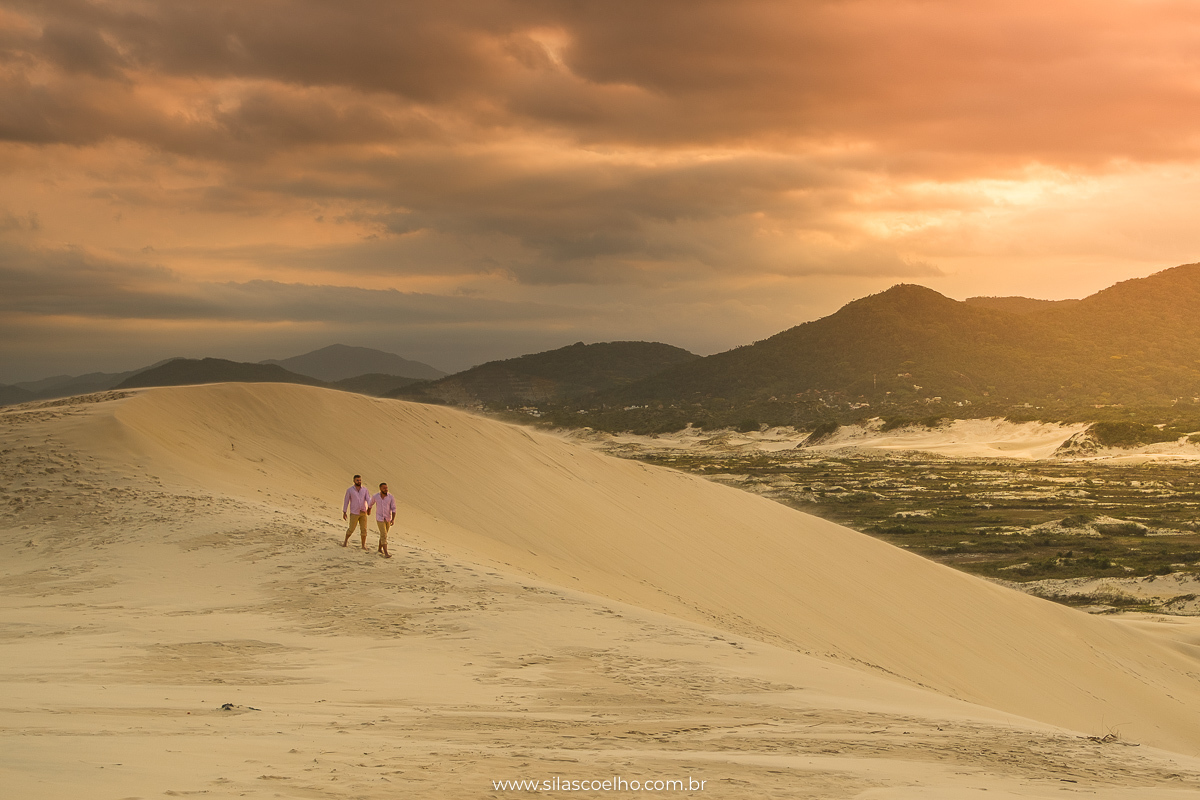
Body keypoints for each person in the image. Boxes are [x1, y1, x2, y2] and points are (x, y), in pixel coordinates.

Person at [342, 474, 372, 549]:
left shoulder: (364, 490)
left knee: (364, 529)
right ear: (354, 481)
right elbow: (346, 501)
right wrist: (344, 512)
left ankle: (363, 545)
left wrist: (369, 507)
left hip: (363, 512)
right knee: (351, 528)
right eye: (357, 480)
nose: (359, 481)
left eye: (360, 480)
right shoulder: (350, 490)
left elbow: (368, 499)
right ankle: (345, 541)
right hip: (354, 512)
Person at [369, 482, 397, 559]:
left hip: (388, 518)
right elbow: (370, 503)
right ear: (380, 488)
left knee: (383, 535)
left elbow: (394, 508)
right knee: (384, 534)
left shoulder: (390, 497)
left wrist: (393, 519)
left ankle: (379, 549)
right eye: (384, 488)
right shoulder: (376, 496)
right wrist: (369, 510)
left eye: (386, 488)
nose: (386, 489)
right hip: (379, 518)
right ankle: (386, 553)